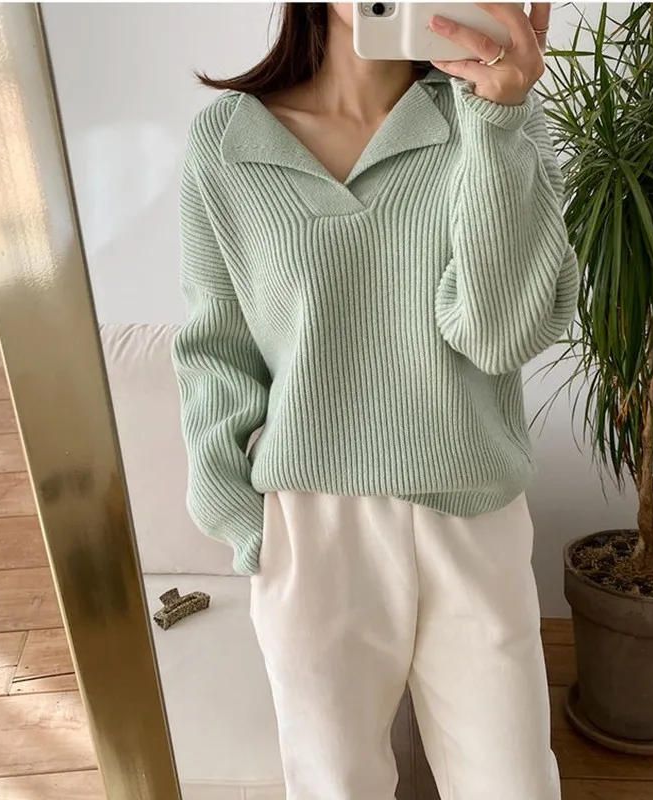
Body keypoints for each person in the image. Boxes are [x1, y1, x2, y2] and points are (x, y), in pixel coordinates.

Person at [173, 2, 577, 798]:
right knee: (335, 786)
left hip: (472, 514)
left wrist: (499, 122)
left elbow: (500, 334)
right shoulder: (227, 145)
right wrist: (244, 523)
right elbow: (216, 348)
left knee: (515, 784)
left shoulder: (494, 119)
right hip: (312, 527)